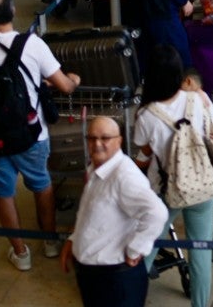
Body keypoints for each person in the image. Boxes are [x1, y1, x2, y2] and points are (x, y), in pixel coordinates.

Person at [0, 0, 79, 270]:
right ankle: (50, 243)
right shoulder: (33, 44)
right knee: (42, 185)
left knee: (4, 193)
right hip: (32, 135)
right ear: (14, 12)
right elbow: (64, 86)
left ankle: (20, 253)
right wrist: (73, 80)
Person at [132, 51, 213, 307]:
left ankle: (132, 297)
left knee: (148, 244)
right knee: (200, 251)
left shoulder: (146, 115)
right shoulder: (198, 99)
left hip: (167, 191)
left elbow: (145, 153)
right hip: (203, 186)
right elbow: (212, 126)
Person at [61, 114, 166, 307]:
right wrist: (74, 239)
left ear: (119, 141)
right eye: (92, 138)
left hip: (115, 279)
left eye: (105, 138)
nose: (97, 144)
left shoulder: (124, 176)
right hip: (94, 275)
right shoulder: (97, 168)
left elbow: (157, 213)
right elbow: (90, 214)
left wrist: (136, 249)